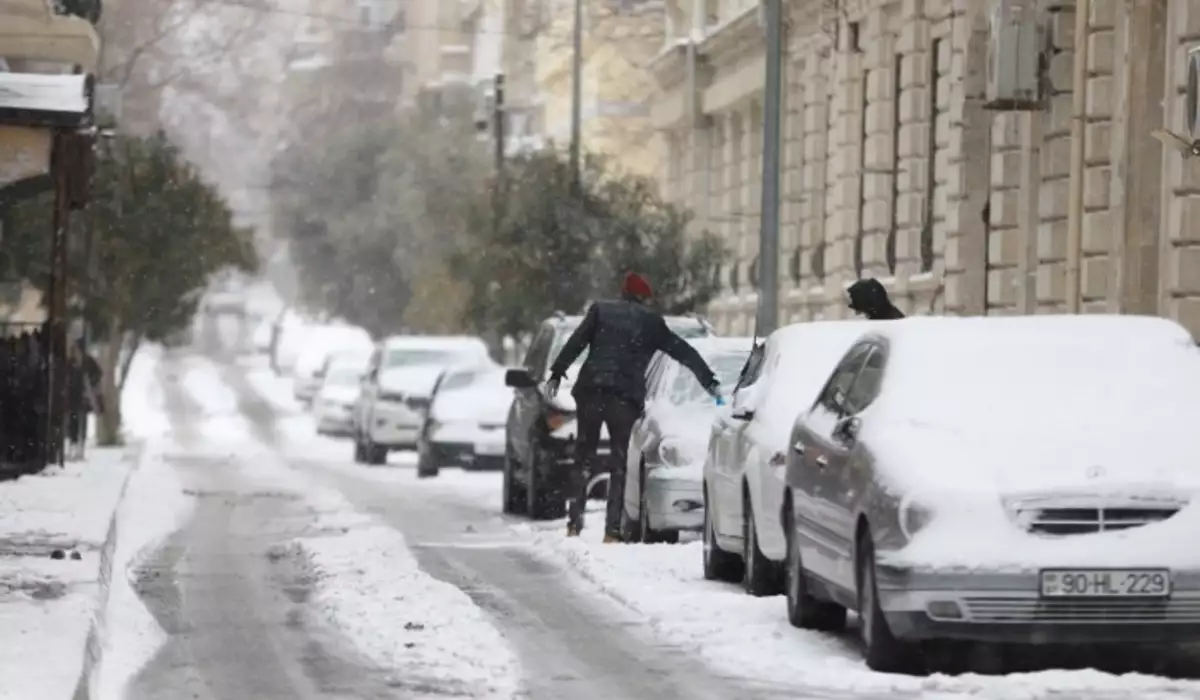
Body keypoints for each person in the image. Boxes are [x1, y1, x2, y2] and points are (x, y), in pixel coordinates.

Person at [546, 272, 720, 542]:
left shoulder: (600, 311)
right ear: (644, 297)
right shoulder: (651, 322)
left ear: (623, 293)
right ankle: (611, 530)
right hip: (623, 399)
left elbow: (576, 341)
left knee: (583, 455)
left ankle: (574, 522)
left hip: (591, 391)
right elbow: (682, 351)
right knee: (618, 463)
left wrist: (558, 372)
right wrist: (709, 381)